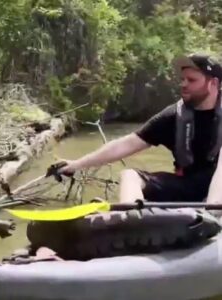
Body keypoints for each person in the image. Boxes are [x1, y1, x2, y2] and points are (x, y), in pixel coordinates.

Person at [58, 53, 222, 204]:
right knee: (130, 176)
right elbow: (126, 144)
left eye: (191, 80)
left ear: (213, 83)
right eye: (183, 79)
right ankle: (131, 215)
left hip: (216, 195)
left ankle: (212, 214)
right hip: (187, 186)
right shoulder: (173, 116)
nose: (184, 84)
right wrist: (76, 164)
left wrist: (212, 206)